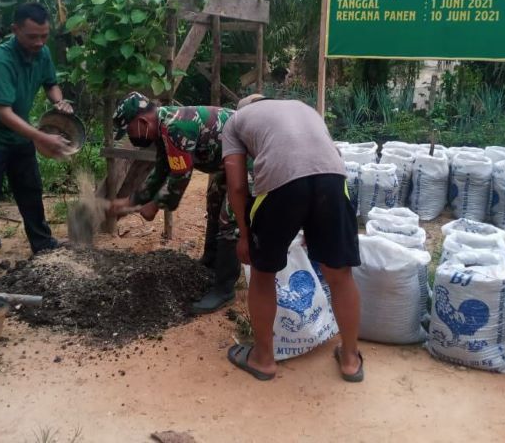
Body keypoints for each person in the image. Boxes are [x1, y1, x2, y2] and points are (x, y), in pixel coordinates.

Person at [220, 94, 364, 382]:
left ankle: (263, 359)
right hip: (333, 181)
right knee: (340, 274)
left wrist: (244, 236)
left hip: (280, 185)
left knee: (263, 273)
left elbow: (236, 186)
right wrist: (315, 224)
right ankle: (350, 359)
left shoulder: (235, 121)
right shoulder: (304, 108)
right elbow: (325, 157)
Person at [0, 3, 73, 287]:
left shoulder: (43, 53)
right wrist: (41, 137)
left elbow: (51, 84)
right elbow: (4, 113)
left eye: (44, 36)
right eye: (32, 37)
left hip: (20, 135)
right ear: (15, 30)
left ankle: (42, 244)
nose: (39, 42)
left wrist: (58, 101)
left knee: (31, 190)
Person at [109, 92, 241, 313]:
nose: (130, 137)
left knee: (230, 216)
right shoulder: (162, 129)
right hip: (226, 163)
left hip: (248, 158)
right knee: (215, 201)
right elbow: (161, 170)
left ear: (142, 122)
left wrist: (154, 205)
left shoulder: (176, 127)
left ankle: (224, 289)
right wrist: (132, 200)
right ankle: (210, 263)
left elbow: (180, 177)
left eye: (129, 131)